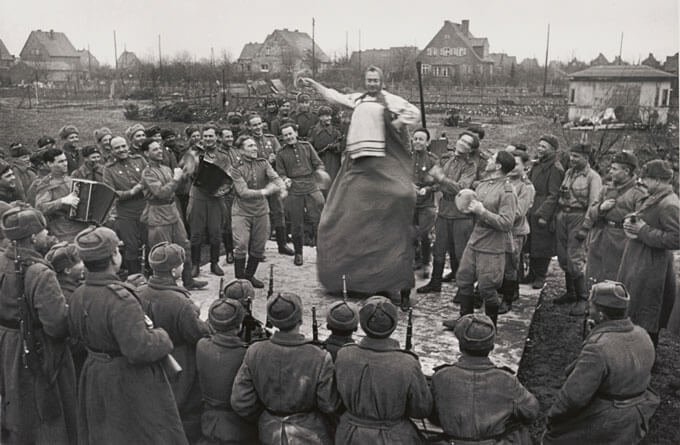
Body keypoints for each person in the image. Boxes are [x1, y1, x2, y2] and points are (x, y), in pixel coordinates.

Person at [301, 66, 420, 297]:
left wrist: (396, 124)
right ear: (365, 81)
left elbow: (413, 113)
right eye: (369, 80)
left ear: (382, 81)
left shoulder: (391, 100)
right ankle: (349, 278)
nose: (372, 84)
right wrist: (314, 85)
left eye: (376, 80)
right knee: (339, 217)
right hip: (358, 163)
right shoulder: (357, 99)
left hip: (381, 161)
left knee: (395, 207)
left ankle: (392, 281)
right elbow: (334, 96)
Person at [68, 226, 187, 444]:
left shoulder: (77, 294)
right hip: (127, 380)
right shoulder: (121, 299)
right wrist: (161, 336)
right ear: (114, 256)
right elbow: (139, 349)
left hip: (94, 374)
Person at [543, 281, 660, 444]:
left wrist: (553, 417)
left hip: (609, 418)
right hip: (638, 410)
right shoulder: (643, 334)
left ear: (600, 315)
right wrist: (596, 333)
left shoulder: (598, 348)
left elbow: (573, 398)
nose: (588, 311)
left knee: (552, 437)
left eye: (591, 307)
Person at [0, 205, 77, 444]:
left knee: (16, 408)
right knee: (49, 415)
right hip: (38, 350)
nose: (49, 235)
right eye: (44, 231)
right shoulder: (40, 273)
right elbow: (56, 325)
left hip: (7, 345)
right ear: (33, 237)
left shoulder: (3, 261)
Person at [231, 292, 341, 444]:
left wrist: (268, 416)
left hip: (269, 432)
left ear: (272, 320)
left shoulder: (254, 351)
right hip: (310, 435)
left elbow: (241, 401)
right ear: (300, 320)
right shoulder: (319, 356)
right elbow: (329, 405)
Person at [137, 242, 211, 442]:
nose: (183, 267)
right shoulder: (180, 303)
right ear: (173, 271)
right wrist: (201, 316)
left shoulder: (139, 292)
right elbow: (199, 335)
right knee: (183, 411)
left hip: (148, 359)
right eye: (180, 264)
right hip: (179, 363)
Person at [334, 296, 432, 444]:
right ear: (393, 325)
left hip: (349, 435)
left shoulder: (344, 354)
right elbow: (421, 410)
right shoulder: (407, 362)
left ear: (363, 324)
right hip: (393, 437)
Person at [430, 314, 539, 443]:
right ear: (492, 347)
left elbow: (433, 416)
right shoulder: (506, 379)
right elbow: (531, 412)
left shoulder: (441, 377)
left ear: (460, 346)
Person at [442, 151, 518, 328]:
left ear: (498, 166)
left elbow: (507, 223)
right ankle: (464, 320)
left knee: (487, 287)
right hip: (475, 240)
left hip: (493, 245)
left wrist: (483, 212)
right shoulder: (483, 185)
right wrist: (469, 209)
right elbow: (473, 208)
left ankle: (488, 327)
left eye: (492, 159)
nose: (488, 160)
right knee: (464, 279)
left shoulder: (507, 191)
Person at [617, 160, 679, 348]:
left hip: (653, 265)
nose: (643, 182)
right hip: (640, 259)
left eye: (647, 179)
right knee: (636, 308)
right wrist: (631, 221)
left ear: (660, 180)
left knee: (648, 312)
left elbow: (676, 239)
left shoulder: (670, 204)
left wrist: (642, 230)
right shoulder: (655, 197)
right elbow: (645, 218)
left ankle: (646, 358)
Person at [140, 138, 207, 290]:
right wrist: (176, 179)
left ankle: (188, 281)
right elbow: (161, 193)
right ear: (146, 153)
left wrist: (185, 172)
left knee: (184, 246)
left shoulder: (166, 169)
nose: (159, 151)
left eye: (160, 148)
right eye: (155, 149)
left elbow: (178, 189)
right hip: (157, 216)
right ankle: (166, 287)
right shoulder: (148, 173)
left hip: (172, 212)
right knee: (163, 253)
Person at [418, 131, 478, 294]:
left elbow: (460, 188)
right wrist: (432, 182)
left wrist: (442, 179)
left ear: (471, 149)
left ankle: (463, 289)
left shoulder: (470, 166)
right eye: (461, 140)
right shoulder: (447, 159)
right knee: (438, 248)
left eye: (467, 143)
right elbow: (433, 179)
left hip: (460, 213)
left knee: (460, 252)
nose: (462, 144)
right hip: (444, 210)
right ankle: (435, 282)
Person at [196, 299, 258, 445]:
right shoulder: (246, 354)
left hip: (209, 422)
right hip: (238, 427)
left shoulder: (202, 345)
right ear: (239, 325)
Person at [228, 135, 287, 288]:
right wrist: (265, 192)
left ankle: (249, 276)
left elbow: (275, 177)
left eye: (255, 145)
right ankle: (240, 281)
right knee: (241, 244)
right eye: (250, 146)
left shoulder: (263, 163)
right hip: (241, 211)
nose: (254, 148)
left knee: (259, 246)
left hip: (261, 211)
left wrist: (282, 186)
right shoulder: (236, 168)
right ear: (241, 150)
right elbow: (242, 192)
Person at [553, 143, 602, 315]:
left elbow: (594, 204)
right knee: (564, 257)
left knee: (576, 258)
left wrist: (586, 227)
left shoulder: (593, 177)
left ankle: (583, 299)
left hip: (579, 217)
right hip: (564, 216)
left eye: (576, 156)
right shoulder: (569, 173)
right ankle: (571, 292)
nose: (572, 159)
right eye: (571, 155)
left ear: (586, 158)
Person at [584, 152, 646, 284]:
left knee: (618, 277)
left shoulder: (638, 193)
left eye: (614, 169)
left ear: (626, 171)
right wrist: (601, 208)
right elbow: (591, 213)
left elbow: (642, 220)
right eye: (610, 168)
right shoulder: (606, 189)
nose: (610, 172)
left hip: (622, 241)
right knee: (596, 275)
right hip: (601, 236)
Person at [276, 123, 327, 266]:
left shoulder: (306, 146)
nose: (289, 137)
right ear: (283, 137)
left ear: (296, 133)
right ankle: (298, 253)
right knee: (296, 224)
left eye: (290, 134)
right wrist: (285, 179)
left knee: (320, 218)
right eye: (285, 135)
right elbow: (280, 172)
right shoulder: (281, 153)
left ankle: (321, 252)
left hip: (311, 185)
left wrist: (320, 171)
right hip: (294, 189)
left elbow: (318, 163)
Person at [187, 124, 233, 277]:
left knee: (215, 231)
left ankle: (214, 263)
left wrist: (221, 190)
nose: (207, 139)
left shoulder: (223, 155)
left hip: (215, 198)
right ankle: (195, 264)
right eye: (205, 136)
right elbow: (186, 171)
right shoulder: (194, 152)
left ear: (217, 137)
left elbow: (229, 178)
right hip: (198, 195)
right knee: (196, 232)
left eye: (211, 136)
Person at [247, 113, 294, 256]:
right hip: (257, 183)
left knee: (278, 212)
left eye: (259, 123)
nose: (257, 127)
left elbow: (281, 156)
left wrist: (276, 159)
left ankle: (282, 244)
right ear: (249, 127)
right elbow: (246, 161)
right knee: (258, 215)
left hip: (272, 182)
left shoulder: (271, 139)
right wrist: (265, 160)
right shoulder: (247, 142)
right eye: (254, 125)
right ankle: (257, 249)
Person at [523, 134, 564, 289]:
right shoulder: (537, 164)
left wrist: (543, 215)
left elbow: (554, 195)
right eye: (539, 146)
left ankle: (541, 275)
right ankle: (532, 273)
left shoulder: (555, 168)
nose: (539, 149)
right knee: (532, 242)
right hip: (532, 206)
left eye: (544, 147)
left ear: (553, 150)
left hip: (543, 210)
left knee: (543, 245)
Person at [103, 136, 149, 274]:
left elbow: (149, 176)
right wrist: (131, 192)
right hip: (125, 212)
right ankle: (134, 277)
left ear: (128, 146)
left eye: (123, 146)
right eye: (117, 148)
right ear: (111, 150)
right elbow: (110, 193)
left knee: (150, 242)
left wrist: (144, 186)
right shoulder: (109, 169)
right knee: (132, 247)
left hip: (145, 208)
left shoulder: (139, 160)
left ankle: (153, 275)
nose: (121, 150)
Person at [499, 147, 535, 313]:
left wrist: (496, 213)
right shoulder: (503, 182)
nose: (513, 167)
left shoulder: (525, 187)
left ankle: (507, 300)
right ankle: (511, 292)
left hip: (515, 231)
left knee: (510, 266)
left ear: (525, 167)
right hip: (499, 228)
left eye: (517, 164)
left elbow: (519, 212)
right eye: (511, 163)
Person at [34, 148, 89, 242]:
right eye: (60, 162)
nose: (65, 164)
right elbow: (40, 208)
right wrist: (62, 201)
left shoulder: (71, 179)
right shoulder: (46, 184)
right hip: (62, 229)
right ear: (50, 164)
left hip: (81, 224)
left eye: (65, 160)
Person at [410, 128, 439, 280]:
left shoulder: (433, 160)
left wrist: (427, 189)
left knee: (425, 235)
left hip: (426, 205)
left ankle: (427, 262)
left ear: (427, 142)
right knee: (411, 233)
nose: (417, 142)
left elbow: (439, 183)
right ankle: (416, 260)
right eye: (415, 139)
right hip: (409, 203)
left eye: (421, 139)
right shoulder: (407, 158)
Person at [308, 105, 343, 188]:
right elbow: (308, 148)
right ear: (320, 117)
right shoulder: (313, 131)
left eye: (330, 116)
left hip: (333, 162)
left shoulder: (335, 131)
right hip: (318, 162)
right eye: (327, 116)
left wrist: (335, 146)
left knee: (333, 185)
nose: (330, 118)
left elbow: (341, 146)